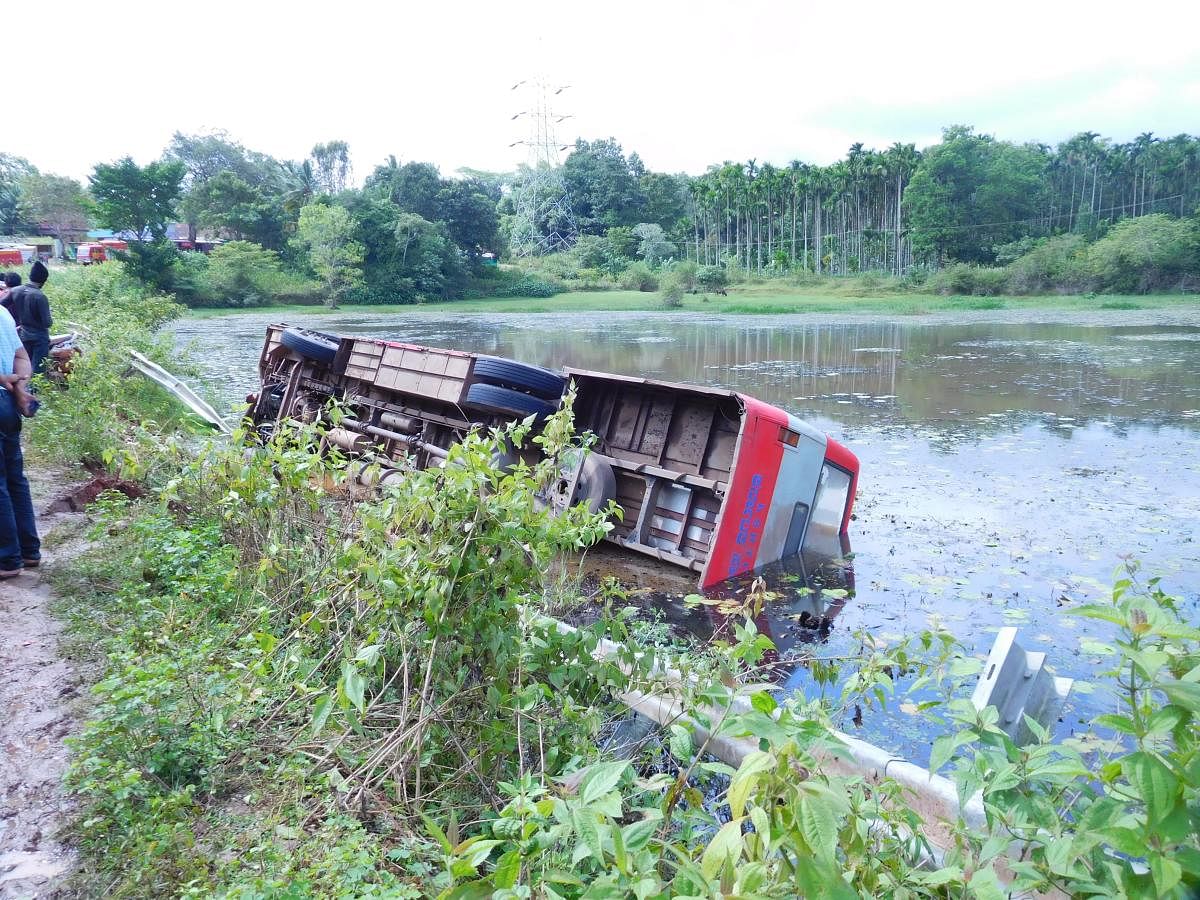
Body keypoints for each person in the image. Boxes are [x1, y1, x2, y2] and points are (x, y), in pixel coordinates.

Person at [0, 302, 39, 578]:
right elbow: (22, 356)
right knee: (15, 479)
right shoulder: (2, 313)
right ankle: (28, 551)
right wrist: (20, 388)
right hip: (7, 404)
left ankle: (7, 559)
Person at [8, 261, 51, 376]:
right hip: (39, 338)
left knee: (24, 367)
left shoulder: (15, 291)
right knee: (38, 369)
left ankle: (22, 389)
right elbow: (47, 323)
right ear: (43, 280)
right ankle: (34, 391)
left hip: (23, 336)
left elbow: (1, 306)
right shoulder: (40, 296)